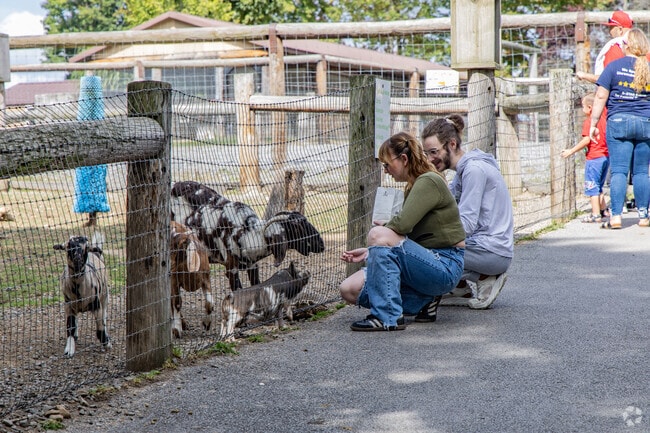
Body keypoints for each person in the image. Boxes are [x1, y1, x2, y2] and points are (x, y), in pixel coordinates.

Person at [339, 131, 466, 331]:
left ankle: (387, 316)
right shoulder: (413, 186)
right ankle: (424, 301)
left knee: (376, 234)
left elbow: (403, 226)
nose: (386, 170)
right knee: (349, 289)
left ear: (404, 159)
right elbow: (406, 238)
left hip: (445, 264)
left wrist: (378, 241)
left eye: (387, 164)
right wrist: (370, 251)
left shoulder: (428, 181)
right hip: (424, 262)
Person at [421, 114, 514, 310]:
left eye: (434, 152)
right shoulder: (465, 170)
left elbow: (466, 224)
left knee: (424, 250)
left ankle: (484, 276)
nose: (430, 159)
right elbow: (446, 207)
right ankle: (459, 286)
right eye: (426, 153)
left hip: (492, 251)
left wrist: (427, 236)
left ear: (452, 144)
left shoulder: (473, 170)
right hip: (488, 249)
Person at [590, 28, 650, 229]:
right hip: (645, 123)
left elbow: (600, 96)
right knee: (641, 172)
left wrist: (594, 123)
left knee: (619, 172)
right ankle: (643, 216)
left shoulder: (614, 67)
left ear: (627, 46)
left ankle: (615, 217)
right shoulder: (648, 68)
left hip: (618, 122)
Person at [561, 92, 610, 223]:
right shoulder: (604, 118)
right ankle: (604, 210)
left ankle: (595, 214)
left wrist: (571, 151)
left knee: (592, 187)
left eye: (583, 106)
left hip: (594, 158)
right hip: (605, 156)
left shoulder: (589, 122)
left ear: (589, 108)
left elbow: (587, 139)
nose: (582, 109)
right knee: (599, 185)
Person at [576, 10, 635, 84]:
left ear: (620, 30)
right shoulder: (643, 47)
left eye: (611, 28)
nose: (609, 32)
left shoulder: (615, 48)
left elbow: (606, 80)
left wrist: (584, 75)